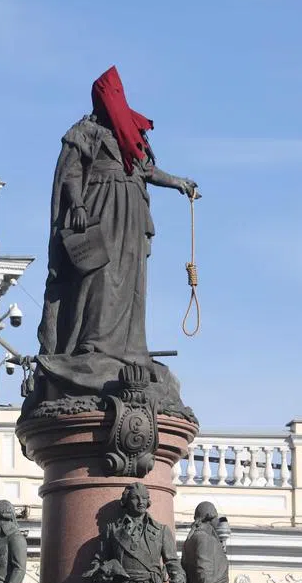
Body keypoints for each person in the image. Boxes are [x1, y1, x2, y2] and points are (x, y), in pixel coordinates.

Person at [35, 66, 200, 401]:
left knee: (130, 280)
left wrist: (179, 183)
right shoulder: (86, 130)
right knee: (100, 276)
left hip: (131, 213)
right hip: (101, 209)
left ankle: (129, 347)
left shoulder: (129, 133)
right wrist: (77, 206)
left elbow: (146, 169)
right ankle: (91, 344)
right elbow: (70, 174)